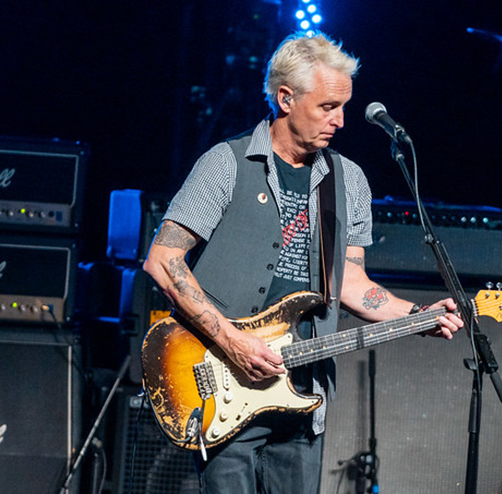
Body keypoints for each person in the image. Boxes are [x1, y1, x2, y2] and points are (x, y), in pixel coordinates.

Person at [142, 31, 463, 494]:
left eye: (344, 107)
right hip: (226, 382)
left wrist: (416, 316)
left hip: (304, 388)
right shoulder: (226, 163)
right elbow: (163, 259)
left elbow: (350, 281)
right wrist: (232, 342)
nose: (341, 121)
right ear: (285, 98)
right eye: (327, 107)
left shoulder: (348, 181)